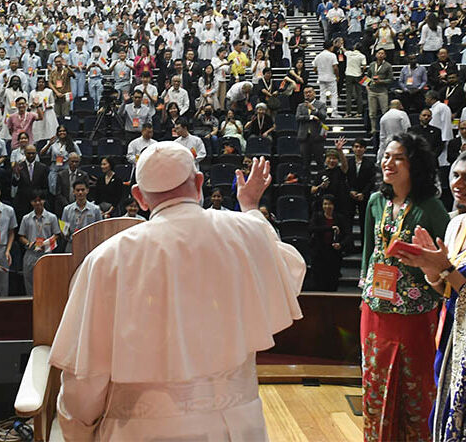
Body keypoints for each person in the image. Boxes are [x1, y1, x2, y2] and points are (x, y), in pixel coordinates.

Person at [48, 146, 305, 440]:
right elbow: (285, 275)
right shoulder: (247, 232)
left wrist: (77, 429)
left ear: (139, 197)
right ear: (198, 183)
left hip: (143, 431)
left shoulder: (107, 260)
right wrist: (249, 206)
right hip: (239, 428)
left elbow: (86, 380)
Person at [360, 133, 450, 442]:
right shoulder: (375, 201)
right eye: (386, 156)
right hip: (375, 310)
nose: (389, 162)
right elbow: (370, 250)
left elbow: (445, 258)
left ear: (415, 165)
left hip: (415, 314)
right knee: (375, 386)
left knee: (415, 387)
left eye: (398, 157)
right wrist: (364, 285)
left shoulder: (432, 208)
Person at [395, 152, 466, 440]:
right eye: (456, 175)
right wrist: (431, 270)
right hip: (452, 334)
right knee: (442, 412)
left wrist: (445, 268)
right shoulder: (455, 224)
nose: (458, 183)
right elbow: (445, 291)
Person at [18, 189, 61, 295]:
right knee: (29, 284)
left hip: (46, 253)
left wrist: (47, 243)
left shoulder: (52, 217)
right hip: (31, 254)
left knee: (47, 283)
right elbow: (21, 236)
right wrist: (28, 243)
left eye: (40, 200)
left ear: (44, 201)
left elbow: (57, 234)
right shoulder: (26, 218)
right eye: (35, 201)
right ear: (31, 202)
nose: (37, 203)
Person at [308, 195, 352, 291]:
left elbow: (348, 235)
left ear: (334, 205)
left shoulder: (340, 218)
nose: (327, 206)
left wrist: (341, 244)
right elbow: (312, 229)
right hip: (319, 252)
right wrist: (330, 228)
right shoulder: (317, 216)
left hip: (333, 253)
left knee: (332, 280)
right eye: (325, 204)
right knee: (319, 280)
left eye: (330, 204)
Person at [346, 139, 376, 242]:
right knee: (348, 221)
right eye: (356, 146)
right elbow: (345, 179)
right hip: (350, 196)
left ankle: (364, 245)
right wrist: (350, 191)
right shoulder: (348, 162)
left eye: (361, 147)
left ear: (365, 149)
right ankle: (349, 245)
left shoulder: (370, 163)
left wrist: (363, 193)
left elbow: (372, 181)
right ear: (353, 148)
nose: (358, 149)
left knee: (364, 221)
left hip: (364, 195)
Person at [60, 179, 102, 251]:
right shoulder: (67, 210)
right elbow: (64, 231)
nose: (80, 192)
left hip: (90, 245)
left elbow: (100, 229)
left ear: (87, 190)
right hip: (72, 244)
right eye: (77, 190)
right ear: (73, 191)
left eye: (83, 190)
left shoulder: (95, 209)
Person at [296, 86, 327, 172]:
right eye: (306, 93)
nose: (308, 94)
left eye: (309, 92)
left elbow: (323, 116)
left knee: (320, 161)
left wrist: (313, 109)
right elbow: (298, 117)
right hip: (304, 137)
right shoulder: (300, 106)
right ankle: (306, 183)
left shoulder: (321, 105)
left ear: (314, 93)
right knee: (305, 163)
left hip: (317, 137)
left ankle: (321, 181)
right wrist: (310, 117)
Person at [366, 49, 393, 134]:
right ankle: (373, 129)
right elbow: (367, 76)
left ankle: (385, 129)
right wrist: (366, 86)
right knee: (372, 112)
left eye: (382, 54)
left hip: (382, 91)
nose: (380, 55)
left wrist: (381, 81)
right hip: (372, 91)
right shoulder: (372, 64)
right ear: (376, 55)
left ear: (385, 55)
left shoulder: (388, 66)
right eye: (379, 53)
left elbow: (391, 79)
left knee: (384, 111)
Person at [55, 153, 90, 218]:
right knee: (64, 227)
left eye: (76, 162)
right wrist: (67, 205)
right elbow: (58, 193)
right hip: (63, 207)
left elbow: (86, 191)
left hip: (79, 207)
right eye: (72, 161)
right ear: (68, 161)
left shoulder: (84, 175)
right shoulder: (61, 175)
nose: (74, 164)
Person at [313, 40, 340, 118]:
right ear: (331, 47)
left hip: (321, 78)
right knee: (334, 95)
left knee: (322, 96)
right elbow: (335, 67)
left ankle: (323, 113)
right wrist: (337, 76)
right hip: (331, 77)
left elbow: (314, 68)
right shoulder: (332, 55)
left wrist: (319, 73)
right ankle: (334, 112)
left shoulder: (318, 56)